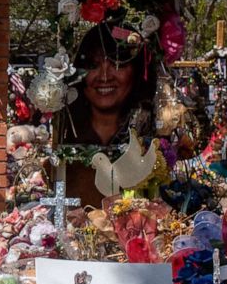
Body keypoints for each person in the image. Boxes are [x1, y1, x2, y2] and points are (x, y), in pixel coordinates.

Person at [61, 22, 158, 206]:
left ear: (136, 71)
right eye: (94, 65)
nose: (104, 76)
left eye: (117, 63)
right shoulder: (63, 140)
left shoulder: (149, 140)